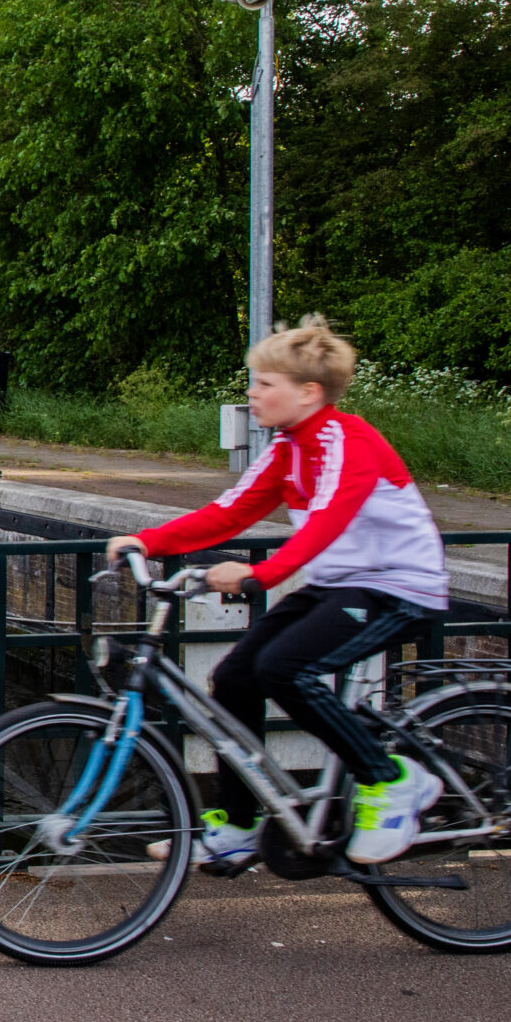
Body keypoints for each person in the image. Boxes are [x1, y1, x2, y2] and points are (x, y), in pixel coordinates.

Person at [106, 315, 448, 870]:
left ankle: (390, 779)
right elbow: (231, 511)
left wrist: (259, 575)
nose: (252, 393)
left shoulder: (348, 441)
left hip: (398, 586)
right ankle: (240, 824)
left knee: (285, 670)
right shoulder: (288, 448)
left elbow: (327, 522)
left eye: (265, 383)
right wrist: (147, 540)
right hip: (338, 584)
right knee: (234, 678)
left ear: (308, 392)